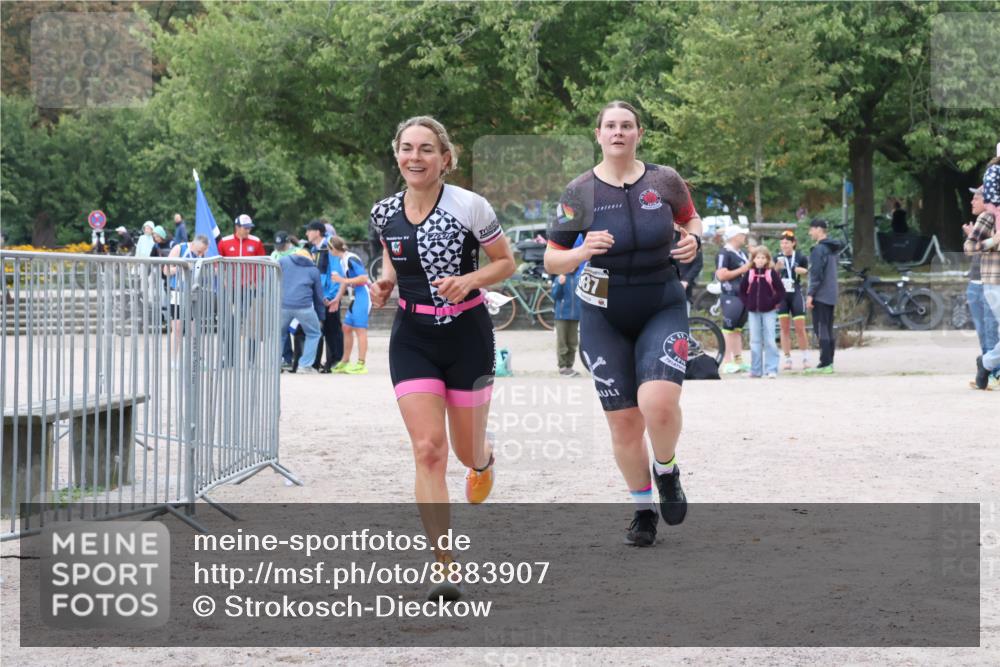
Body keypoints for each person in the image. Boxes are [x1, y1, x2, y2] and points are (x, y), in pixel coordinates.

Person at [544, 101, 701, 548]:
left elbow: (690, 218)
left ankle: (667, 470)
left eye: (626, 126)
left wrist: (693, 238)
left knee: (659, 405)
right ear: (597, 134)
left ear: (639, 133)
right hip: (602, 312)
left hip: (660, 302)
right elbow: (553, 255)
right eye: (610, 126)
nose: (618, 132)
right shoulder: (578, 193)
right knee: (626, 424)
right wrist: (580, 251)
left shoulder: (664, 180)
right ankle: (642, 510)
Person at [369, 115, 514, 598]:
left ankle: (484, 457)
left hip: (467, 335)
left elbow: (505, 262)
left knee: (465, 450)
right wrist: (386, 284)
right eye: (407, 148)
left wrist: (470, 280)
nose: (416, 157)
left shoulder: (469, 206)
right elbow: (394, 256)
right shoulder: (383, 212)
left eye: (427, 149)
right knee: (429, 450)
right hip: (412, 336)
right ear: (397, 155)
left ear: (445, 159)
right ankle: (444, 565)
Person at [966, 183, 1000, 390]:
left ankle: (986, 363)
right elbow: (969, 247)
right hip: (995, 282)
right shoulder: (988, 216)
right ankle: (988, 365)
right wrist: (992, 242)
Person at [277, 242, 326, 375]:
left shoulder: (283, 261)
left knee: (278, 334)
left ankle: (275, 365)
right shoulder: (313, 270)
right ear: (310, 257)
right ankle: (304, 366)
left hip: (283, 305)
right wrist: (321, 317)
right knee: (314, 333)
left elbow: (273, 279)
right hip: (304, 307)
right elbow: (318, 296)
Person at [739, 246, 786, 378]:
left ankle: (771, 369)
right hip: (753, 311)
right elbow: (742, 291)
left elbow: (781, 291)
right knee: (754, 340)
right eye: (757, 257)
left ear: (767, 260)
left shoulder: (771, 274)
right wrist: (748, 303)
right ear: (753, 259)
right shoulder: (749, 274)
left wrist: (772, 302)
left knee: (770, 339)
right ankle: (756, 370)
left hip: (769, 311)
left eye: (763, 257)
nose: (760, 260)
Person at [804, 219, 843, 375]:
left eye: (811, 229)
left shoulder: (819, 250)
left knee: (821, 328)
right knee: (827, 327)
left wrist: (810, 294)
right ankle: (829, 362)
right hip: (831, 293)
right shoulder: (833, 248)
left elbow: (816, 275)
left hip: (821, 294)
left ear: (819, 230)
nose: (810, 232)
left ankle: (825, 362)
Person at [328, 237, 369, 374]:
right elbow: (344, 282)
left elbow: (364, 278)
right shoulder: (342, 260)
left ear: (333, 248)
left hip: (363, 295)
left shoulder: (351, 258)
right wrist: (337, 299)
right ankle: (345, 361)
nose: (328, 251)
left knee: (360, 329)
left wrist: (342, 279)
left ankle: (361, 364)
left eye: (329, 249)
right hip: (356, 295)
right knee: (346, 328)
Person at [715, 225, 752, 374]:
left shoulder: (741, 253)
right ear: (734, 236)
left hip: (744, 296)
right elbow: (721, 275)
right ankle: (727, 361)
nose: (744, 236)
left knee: (737, 330)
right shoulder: (724, 253)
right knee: (728, 329)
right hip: (731, 295)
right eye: (741, 234)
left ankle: (738, 360)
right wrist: (743, 270)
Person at [164, 235, 209, 358]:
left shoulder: (201, 254)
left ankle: (196, 358)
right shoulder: (179, 248)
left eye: (203, 252)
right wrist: (182, 267)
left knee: (194, 328)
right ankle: (173, 360)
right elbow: (166, 270)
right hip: (178, 292)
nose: (200, 255)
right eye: (199, 251)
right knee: (177, 328)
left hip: (194, 293)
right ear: (193, 244)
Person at [775, 229, 811, 370]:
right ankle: (788, 359)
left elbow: (808, 273)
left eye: (787, 243)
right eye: (782, 243)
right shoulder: (777, 257)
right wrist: (776, 269)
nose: (784, 245)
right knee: (784, 329)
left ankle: (805, 358)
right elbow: (770, 275)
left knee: (800, 328)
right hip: (782, 294)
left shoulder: (800, 257)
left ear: (793, 243)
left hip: (795, 292)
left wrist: (804, 271)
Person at [551, 270, 581, 376]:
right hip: (561, 315)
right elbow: (554, 295)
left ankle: (570, 366)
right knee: (562, 342)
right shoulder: (560, 277)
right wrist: (559, 284)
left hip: (575, 316)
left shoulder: (579, 278)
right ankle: (562, 367)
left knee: (573, 343)